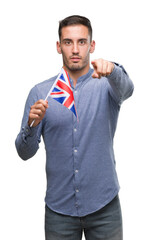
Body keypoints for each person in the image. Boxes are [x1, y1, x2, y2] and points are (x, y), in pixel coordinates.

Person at [15, 15, 134, 240]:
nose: (76, 49)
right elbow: (24, 152)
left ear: (92, 45)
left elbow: (127, 90)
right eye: (68, 42)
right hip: (59, 212)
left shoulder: (107, 85)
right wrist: (32, 125)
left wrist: (113, 70)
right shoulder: (42, 93)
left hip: (104, 208)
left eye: (82, 42)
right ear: (59, 47)